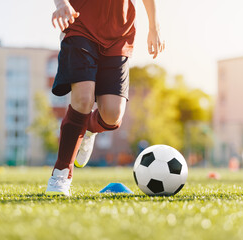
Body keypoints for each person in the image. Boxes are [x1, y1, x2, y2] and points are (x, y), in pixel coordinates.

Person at [46, 0, 165, 196]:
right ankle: (61, 172)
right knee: (83, 99)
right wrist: (61, 4)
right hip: (80, 24)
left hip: (120, 33)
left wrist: (154, 26)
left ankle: (89, 128)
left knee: (112, 115)